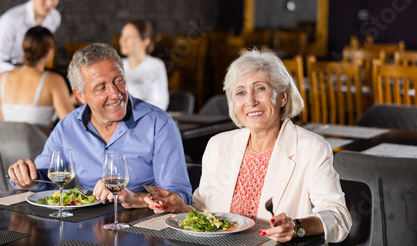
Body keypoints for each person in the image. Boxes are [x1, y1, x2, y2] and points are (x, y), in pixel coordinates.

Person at [144, 49, 352, 243]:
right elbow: (205, 214)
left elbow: (339, 217)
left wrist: (296, 227)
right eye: (240, 92)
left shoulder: (312, 148)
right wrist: (180, 207)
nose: (250, 101)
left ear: (283, 97)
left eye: (260, 88)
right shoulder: (218, 145)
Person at [7, 43, 192, 209]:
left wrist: (134, 197)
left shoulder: (159, 124)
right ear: (80, 96)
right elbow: (43, 178)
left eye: (119, 80)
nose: (115, 93)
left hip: (143, 227)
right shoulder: (67, 127)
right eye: (101, 88)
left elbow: (180, 198)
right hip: (85, 227)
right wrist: (25, 177)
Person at [0, 0, 63, 119]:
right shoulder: (10, 20)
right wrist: (23, 72)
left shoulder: (54, 18)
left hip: (30, 71)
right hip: (1, 73)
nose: (49, 4)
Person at [0, 27, 74, 134]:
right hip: (40, 150)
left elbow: (3, 121)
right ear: (50, 53)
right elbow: (72, 125)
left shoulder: (2, 78)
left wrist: (68, 102)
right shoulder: (53, 81)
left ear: (22, 47)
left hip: (7, 150)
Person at [119, 19, 169, 110]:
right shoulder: (118, 65)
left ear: (145, 41)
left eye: (129, 37)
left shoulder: (155, 65)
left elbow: (160, 104)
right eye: (122, 35)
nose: (123, 40)